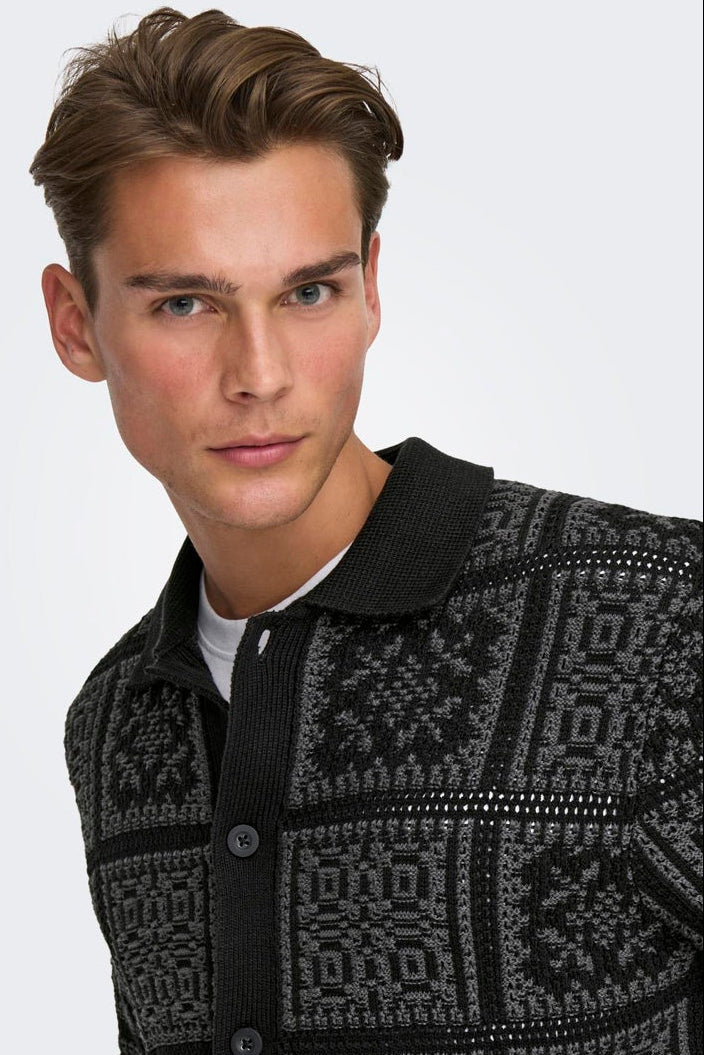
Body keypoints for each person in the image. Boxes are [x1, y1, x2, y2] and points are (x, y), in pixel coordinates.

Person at [30, 8, 702, 1055]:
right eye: (186, 305)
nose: (259, 374)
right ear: (76, 324)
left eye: (308, 291)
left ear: (370, 289)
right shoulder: (118, 722)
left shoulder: (659, 614)